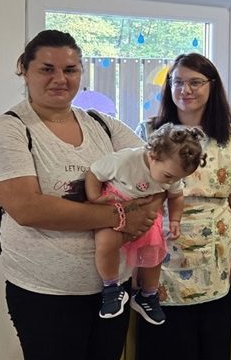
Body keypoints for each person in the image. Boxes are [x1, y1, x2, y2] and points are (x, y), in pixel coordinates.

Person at [0, 30, 162, 360]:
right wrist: (122, 216)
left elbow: (158, 172)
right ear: (24, 70)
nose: (60, 79)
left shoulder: (103, 125)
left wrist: (147, 210)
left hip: (112, 291)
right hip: (46, 294)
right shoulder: (7, 129)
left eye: (70, 70)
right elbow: (28, 208)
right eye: (47, 69)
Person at [134, 53, 231, 360]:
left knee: (212, 342)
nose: (185, 90)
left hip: (217, 255)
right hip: (160, 255)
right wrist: (133, 259)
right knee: (165, 344)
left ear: (212, 86)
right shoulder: (148, 132)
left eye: (195, 82)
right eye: (178, 82)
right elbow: (131, 198)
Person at [84, 123, 206, 324]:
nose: (171, 182)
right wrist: (94, 197)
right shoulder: (124, 160)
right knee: (106, 243)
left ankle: (148, 294)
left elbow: (176, 196)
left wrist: (175, 219)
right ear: (153, 156)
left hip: (146, 211)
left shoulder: (171, 171)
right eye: (169, 176)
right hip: (115, 204)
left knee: (155, 250)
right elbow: (94, 173)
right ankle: (111, 288)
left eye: (178, 178)